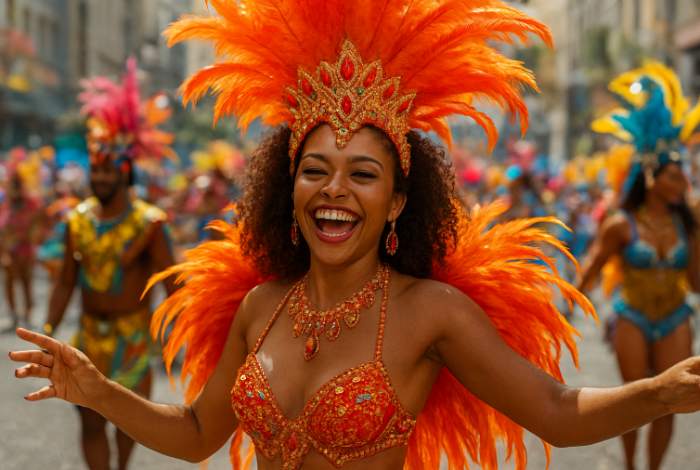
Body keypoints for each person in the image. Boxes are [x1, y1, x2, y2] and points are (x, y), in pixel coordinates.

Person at [9, 3, 700, 470]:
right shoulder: (261, 305)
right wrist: (99, 392)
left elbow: (553, 410)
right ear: (289, 189)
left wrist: (661, 392)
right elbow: (196, 434)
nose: (334, 189)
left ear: (399, 200)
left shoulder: (429, 311)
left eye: (362, 174)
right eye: (315, 170)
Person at [34, 58, 177, 470]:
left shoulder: (150, 224)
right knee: (90, 423)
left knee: (128, 427)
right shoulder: (75, 220)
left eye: (105, 170)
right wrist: (48, 329)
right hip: (88, 340)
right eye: (94, 170)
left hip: (132, 340)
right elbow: (64, 281)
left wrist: (177, 335)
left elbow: (172, 286)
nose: (97, 177)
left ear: (125, 171)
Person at [579, 61, 700, 470]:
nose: (682, 182)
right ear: (650, 177)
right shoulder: (621, 225)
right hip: (631, 314)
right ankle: (630, 466)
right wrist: (566, 305)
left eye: (683, 174)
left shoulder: (689, 225)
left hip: (675, 315)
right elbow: (593, 267)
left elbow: (697, 285)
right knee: (635, 396)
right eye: (672, 175)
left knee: (669, 401)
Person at [0, 166, 42, 331]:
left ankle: (27, 316)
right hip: (10, 251)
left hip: (25, 250)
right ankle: (14, 316)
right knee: (10, 282)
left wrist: (28, 236)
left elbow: (37, 224)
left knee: (26, 283)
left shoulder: (31, 203)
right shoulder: (6, 203)